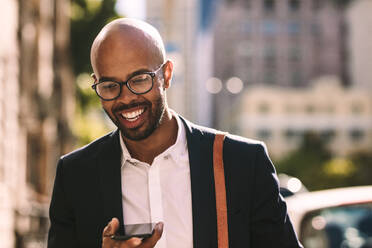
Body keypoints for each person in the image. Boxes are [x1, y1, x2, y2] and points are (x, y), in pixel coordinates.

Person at [48, 18, 303, 248]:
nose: (126, 98)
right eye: (110, 85)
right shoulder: (75, 176)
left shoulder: (243, 163)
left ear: (166, 75)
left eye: (139, 80)